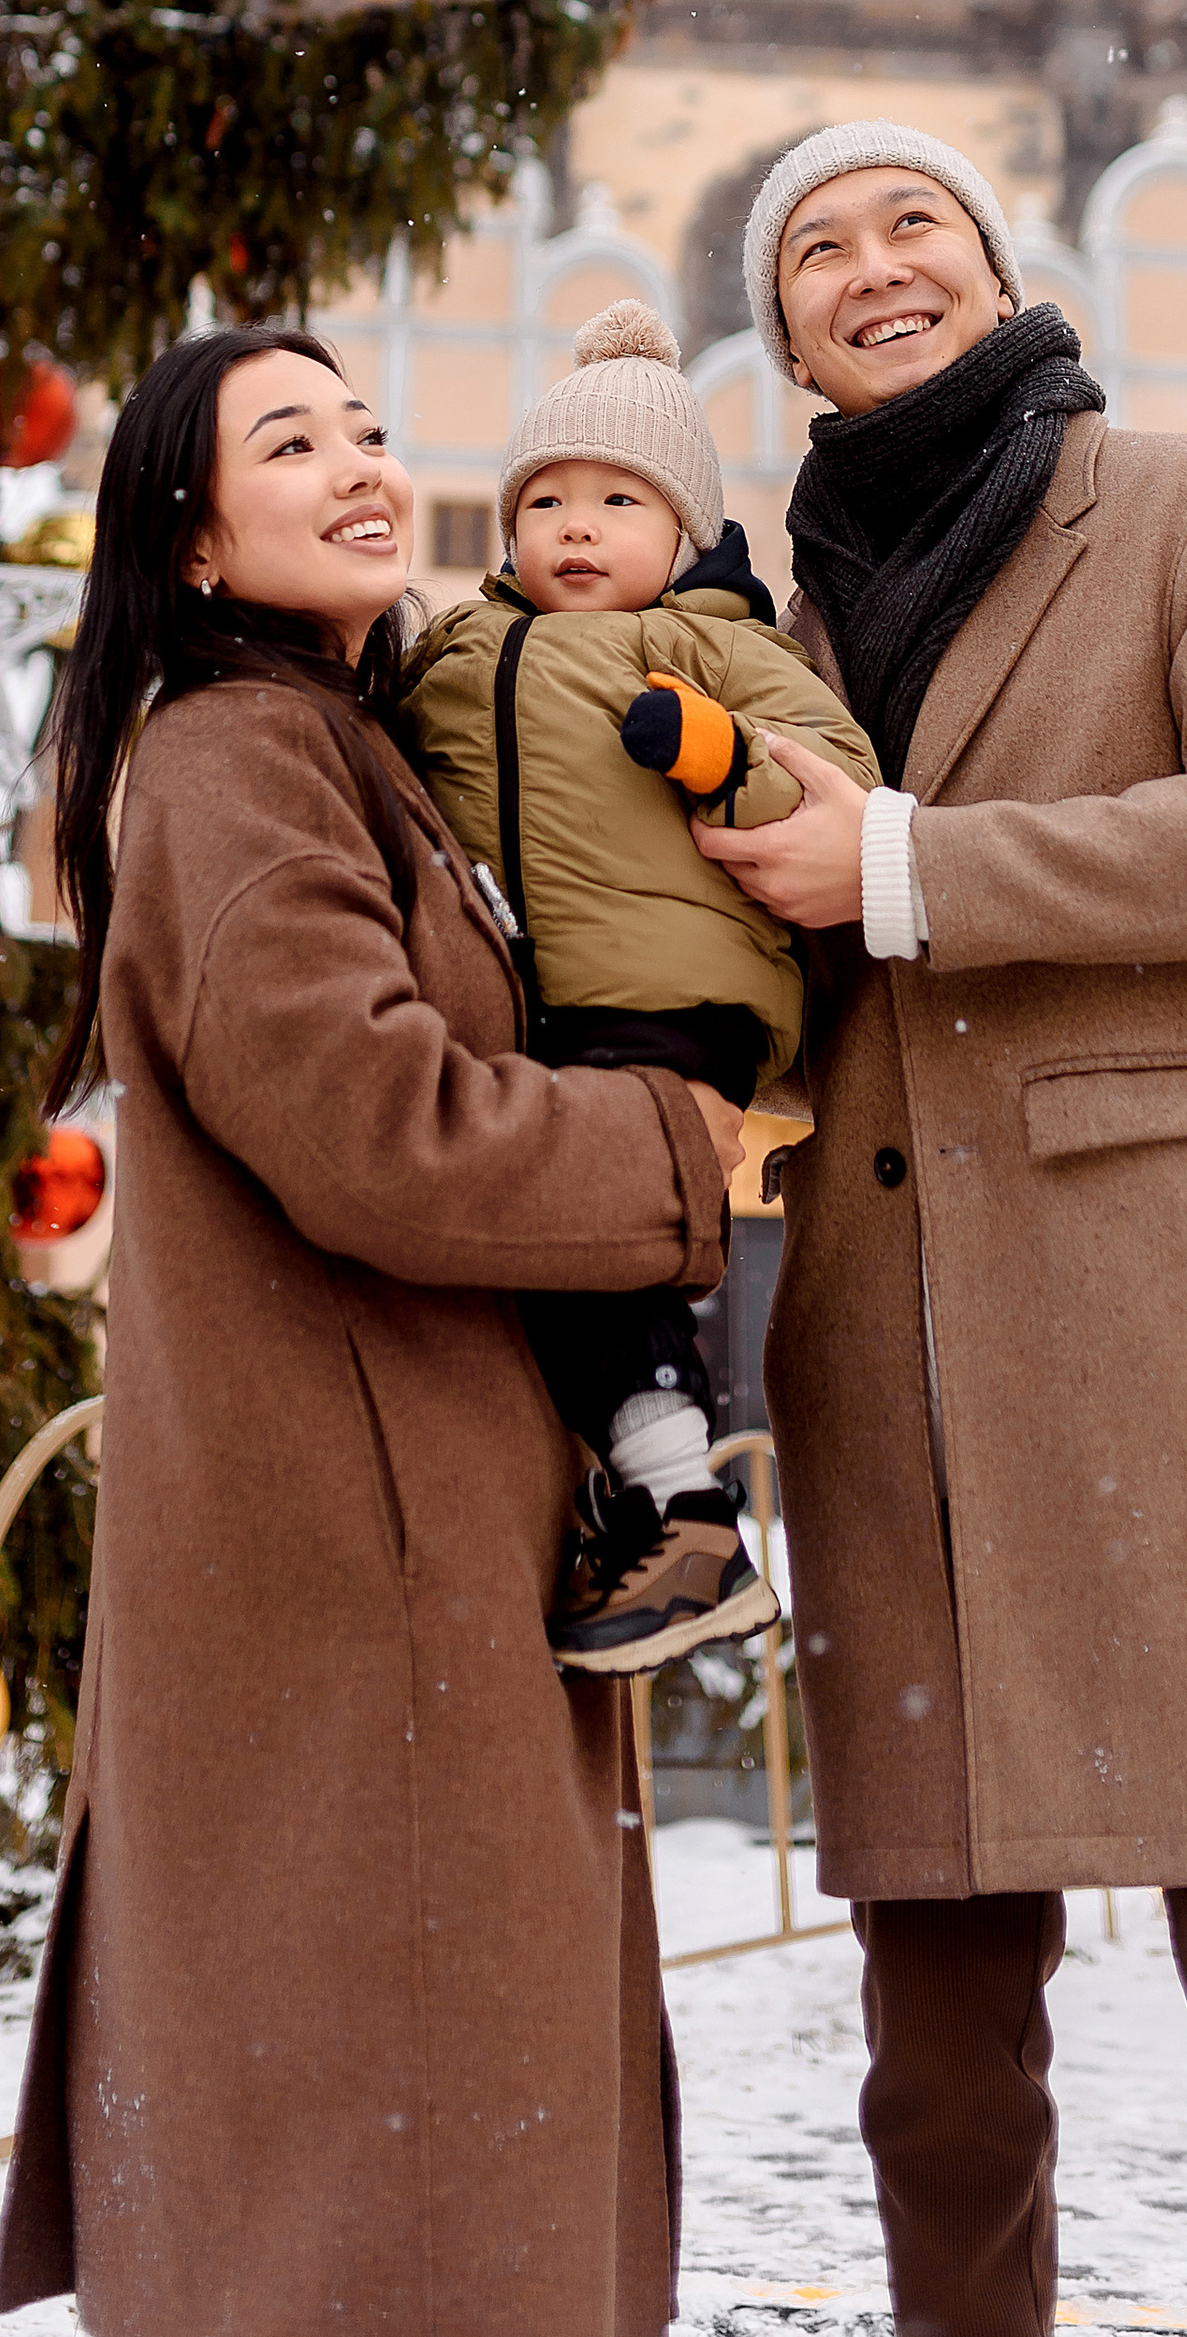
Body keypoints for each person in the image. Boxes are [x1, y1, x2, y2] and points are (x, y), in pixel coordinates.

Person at [691, 123, 1187, 2337]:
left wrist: (920, 868)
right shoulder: (769, 613)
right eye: (813, 254)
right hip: (887, 1356)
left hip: (1176, 1330)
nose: (870, 268)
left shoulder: (1183, 508)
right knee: (934, 2060)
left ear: (992, 258)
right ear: (783, 334)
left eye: (907, 224)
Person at [0, 324, 741, 2337]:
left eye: (370, 427)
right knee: (390, 2193)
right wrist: (687, 1145)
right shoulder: (235, 758)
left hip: (415, 1547)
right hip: (361, 1583)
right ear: (195, 540)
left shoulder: (342, 744)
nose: (359, 463)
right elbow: (379, 1134)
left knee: (409, 2159)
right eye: (288, 438)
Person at [399, 300, 879, 1673]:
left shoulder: (713, 642)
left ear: (685, 533)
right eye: (546, 496)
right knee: (547, 1240)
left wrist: (719, 747)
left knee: (582, 1219)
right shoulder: (455, 647)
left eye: (619, 497)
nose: (577, 524)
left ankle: (692, 1516)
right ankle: (651, 1498)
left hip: (675, 997)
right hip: (527, 1017)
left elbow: (836, 776)